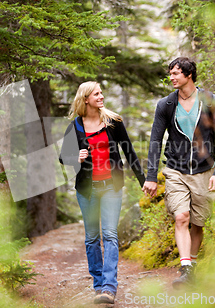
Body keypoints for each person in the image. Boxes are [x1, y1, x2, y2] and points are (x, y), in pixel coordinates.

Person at [142, 57, 215, 289]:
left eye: (176, 73)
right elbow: (155, 141)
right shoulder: (166, 105)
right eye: (170, 73)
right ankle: (185, 267)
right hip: (176, 170)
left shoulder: (211, 101)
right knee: (182, 217)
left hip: (204, 171)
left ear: (189, 74)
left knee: (198, 223)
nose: (172, 77)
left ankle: (193, 267)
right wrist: (151, 176)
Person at [59, 81, 145, 304]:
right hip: (86, 191)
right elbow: (63, 156)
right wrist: (75, 157)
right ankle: (98, 285)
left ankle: (109, 286)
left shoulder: (113, 122)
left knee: (110, 235)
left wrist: (144, 180)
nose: (101, 96)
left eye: (101, 93)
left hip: (111, 188)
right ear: (85, 99)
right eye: (96, 94)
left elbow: (129, 150)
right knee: (92, 238)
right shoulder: (75, 126)